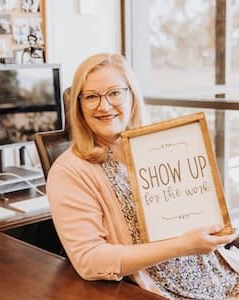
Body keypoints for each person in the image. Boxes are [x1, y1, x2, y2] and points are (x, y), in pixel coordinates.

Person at [46, 53, 239, 299]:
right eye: (91, 97)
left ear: (132, 96)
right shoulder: (69, 172)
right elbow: (90, 260)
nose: (104, 106)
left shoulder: (157, 147)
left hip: (219, 270)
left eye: (115, 93)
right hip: (169, 290)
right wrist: (184, 246)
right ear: (79, 106)